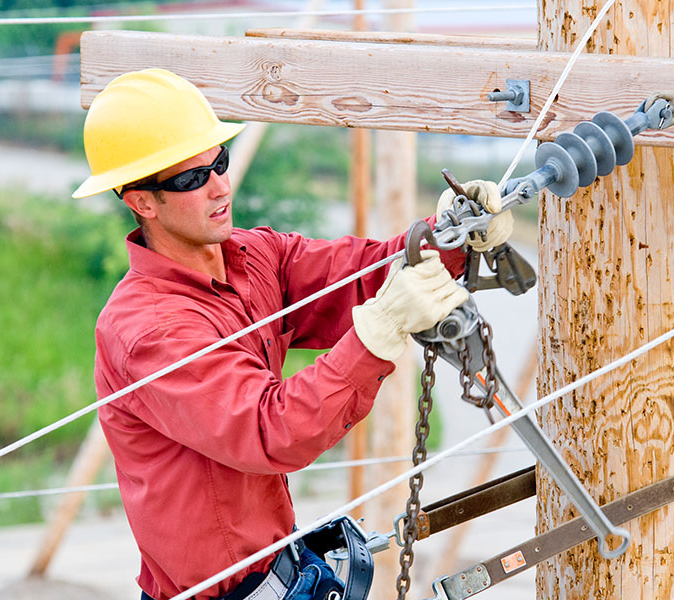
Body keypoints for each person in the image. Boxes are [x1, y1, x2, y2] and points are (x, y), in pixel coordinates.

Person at [73, 69, 513, 600]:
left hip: (281, 567)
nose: (219, 187)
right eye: (191, 179)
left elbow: (361, 273)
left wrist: (449, 234)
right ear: (141, 201)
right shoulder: (147, 330)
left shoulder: (252, 255)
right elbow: (270, 430)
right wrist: (378, 334)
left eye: (219, 163)